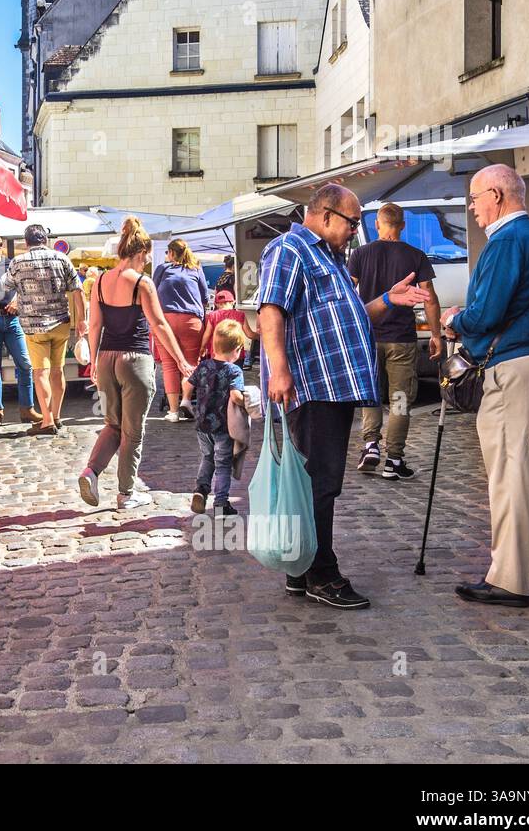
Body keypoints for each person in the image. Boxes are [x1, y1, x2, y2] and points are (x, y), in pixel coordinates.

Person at [259, 184, 431, 610]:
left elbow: (351, 313)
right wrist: (279, 371)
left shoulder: (331, 257)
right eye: (353, 223)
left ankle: (300, 572)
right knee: (320, 482)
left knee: (319, 481)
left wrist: (389, 299)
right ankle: (322, 573)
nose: (357, 231)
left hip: (335, 387)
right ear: (326, 214)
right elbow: (270, 310)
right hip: (313, 386)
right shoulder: (291, 249)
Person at [443, 165, 529, 608]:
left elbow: (487, 313)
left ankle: (510, 580)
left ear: (496, 195)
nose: (471, 207)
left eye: (474, 198)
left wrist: (456, 321)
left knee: (511, 475)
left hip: (514, 363)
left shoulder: (507, 239)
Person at [78, 217, 191, 509]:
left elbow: (94, 327)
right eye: (149, 255)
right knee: (132, 432)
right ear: (141, 252)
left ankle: (90, 471)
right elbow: (160, 326)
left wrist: (92, 363)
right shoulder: (142, 283)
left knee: (111, 424)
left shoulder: (100, 281)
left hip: (105, 359)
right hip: (135, 360)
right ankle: (126, 494)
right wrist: (180, 360)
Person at [349, 202, 443, 480]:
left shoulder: (359, 254)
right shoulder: (416, 256)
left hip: (369, 334)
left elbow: (347, 291)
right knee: (400, 399)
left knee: (371, 393)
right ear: (402, 225)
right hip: (402, 338)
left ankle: (370, 446)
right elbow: (430, 298)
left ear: (377, 224)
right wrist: (436, 334)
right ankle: (394, 459)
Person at [2, 224, 87, 436]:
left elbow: (5, 284)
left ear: (26, 242)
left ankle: (47, 420)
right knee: (58, 371)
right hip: (60, 323)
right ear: (45, 240)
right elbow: (78, 291)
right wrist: (83, 320)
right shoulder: (62, 259)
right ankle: (57, 416)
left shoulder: (18, 262)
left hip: (34, 326)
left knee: (41, 372)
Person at [184, 319, 248, 517]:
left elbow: (188, 383)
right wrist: (249, 402)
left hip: (203, 424)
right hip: (223, 426)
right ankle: (221, 503)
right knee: (222, 464)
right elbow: (236, 396)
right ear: (237, 349)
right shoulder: (234, 370)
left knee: (207, 457)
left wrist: (186, 399)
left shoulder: (204, 366)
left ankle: (201, 490)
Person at [0, 233, 39, 426]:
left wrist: (16, 300)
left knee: (25, 364)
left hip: (12, 321)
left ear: (1, 246)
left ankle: (27, 409)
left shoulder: (12, 264)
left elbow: (27, 286)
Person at [154, 238, 209, 421]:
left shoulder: (163, 269)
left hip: (165, 321)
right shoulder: (195, 269)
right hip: (191, 321)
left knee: (169, 365)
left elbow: (152, 294)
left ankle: (173, 411)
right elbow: (204, 297)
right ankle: (186, 400)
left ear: (170, 253)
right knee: (190, 363)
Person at [199, 289, 257, 362]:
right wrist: (260, 336)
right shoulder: (240, 315)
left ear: (216, 304)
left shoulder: (213, 315)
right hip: (236, 355)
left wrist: (202, 347)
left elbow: (207, 334)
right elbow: (250, 334)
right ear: (233, 302)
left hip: (217, 355)